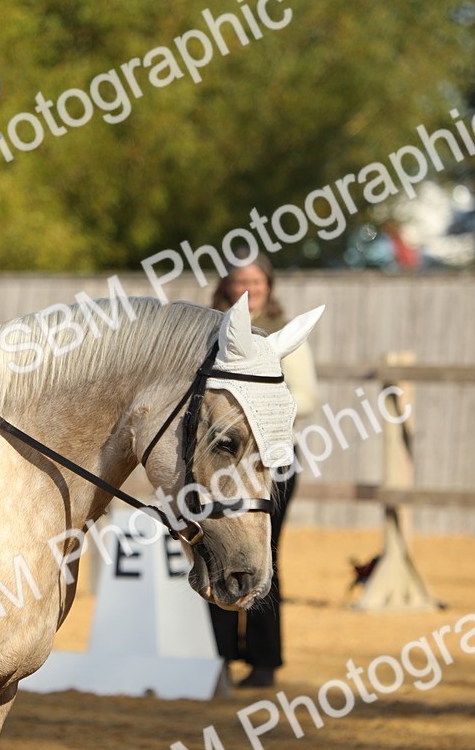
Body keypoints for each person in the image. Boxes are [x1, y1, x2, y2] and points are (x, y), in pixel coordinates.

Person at [208, 254, 318, 688]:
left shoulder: (283, 337)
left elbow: (306, 397)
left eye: (256, 281)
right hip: (215, 462)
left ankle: (264, 661)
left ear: (268, 287)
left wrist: (257, 412)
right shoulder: (210, 331)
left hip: (271, 462)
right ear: (227, 288)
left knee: (263, 555)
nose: (249, 290)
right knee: (210, 551)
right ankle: (217, 656)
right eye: (241, 282)